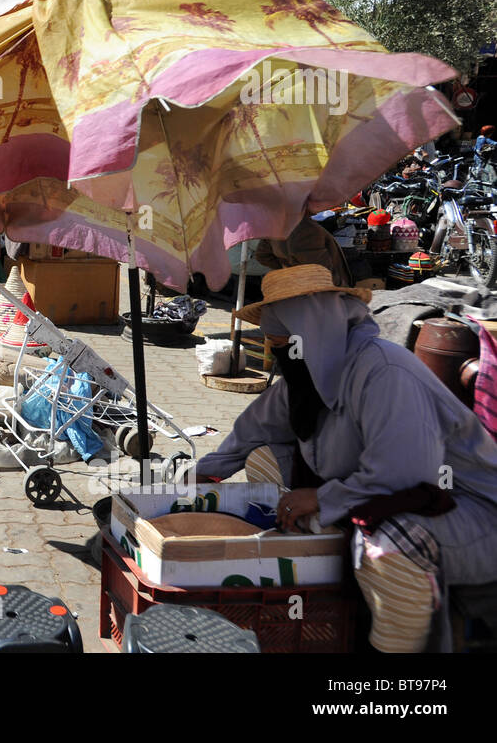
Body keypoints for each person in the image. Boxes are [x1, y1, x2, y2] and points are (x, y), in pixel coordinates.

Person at [195, 264, 497, 652]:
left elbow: (406, 472)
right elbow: (250, 433)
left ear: (312, 333)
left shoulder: (384, 371)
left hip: (468, 509)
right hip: (381, 491)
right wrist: (197, 480)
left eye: (281, 341)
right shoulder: (308, 376)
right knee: (263, 459)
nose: (275, 352)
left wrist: (320, 499)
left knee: (390, 545)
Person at [253, 215, 353, 289]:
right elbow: (321, 271)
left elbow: (262, 255)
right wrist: (343, 290)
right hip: (317, 295)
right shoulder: (305, 228)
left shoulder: (277, 226)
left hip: (298, 291)